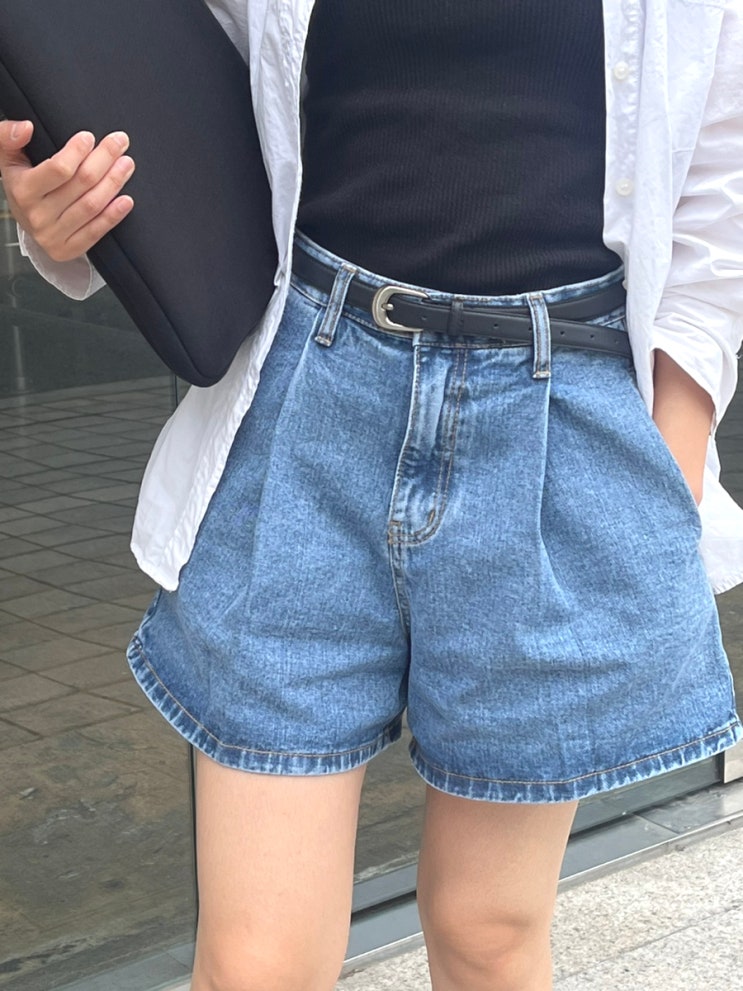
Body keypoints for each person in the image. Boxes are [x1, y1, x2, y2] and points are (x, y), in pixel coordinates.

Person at [1, 2, 742, 989]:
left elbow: (718, 203)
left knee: (485, 931)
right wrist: (67, 214)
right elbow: (172, 94)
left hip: (557, 418)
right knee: (254, 967)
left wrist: (665, 466)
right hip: (309, 406)